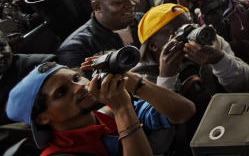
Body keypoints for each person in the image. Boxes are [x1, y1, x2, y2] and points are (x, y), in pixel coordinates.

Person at [6, 60, 195, 155]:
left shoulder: (106, 115)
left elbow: (184, 112)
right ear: (42, 118)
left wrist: (131, 79)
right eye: (61, 92)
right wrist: (122, 109)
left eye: (76, 78)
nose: (79, 86)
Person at [57, 0, 141, 69]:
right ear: (97, 7)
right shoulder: (75, 48)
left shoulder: (145, 20)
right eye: (119, 3)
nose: (131, 5)